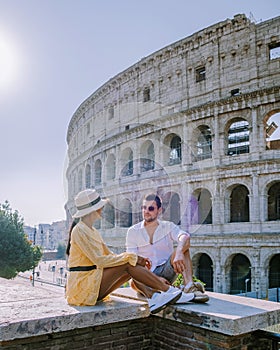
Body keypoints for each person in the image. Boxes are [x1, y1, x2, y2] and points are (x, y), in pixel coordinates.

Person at [65, 188, 183, 314]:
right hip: (83, 288)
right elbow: (99, 261)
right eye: (100, 206)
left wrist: (134, 259)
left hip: (91, 284)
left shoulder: (92, 231)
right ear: (93, 210)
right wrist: (132, 258)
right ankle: (168, 291)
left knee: (130, 263)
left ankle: (153, 297)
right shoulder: (79, 230)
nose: (102, 209)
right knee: (128, 262)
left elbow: (110, 256)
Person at [126, 193, 209, 303]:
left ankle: (189, 286)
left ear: (159, 210)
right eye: (144, 208)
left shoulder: (168, 226)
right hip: (145, 275)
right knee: (133, 281)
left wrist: (179, 252)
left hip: (167, 270)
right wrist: (156, 280)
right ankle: (164, 291)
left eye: (151, 208)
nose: (146, 211)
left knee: (184, 247)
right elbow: (132, 260)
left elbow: (185, 236)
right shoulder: (133, 231)